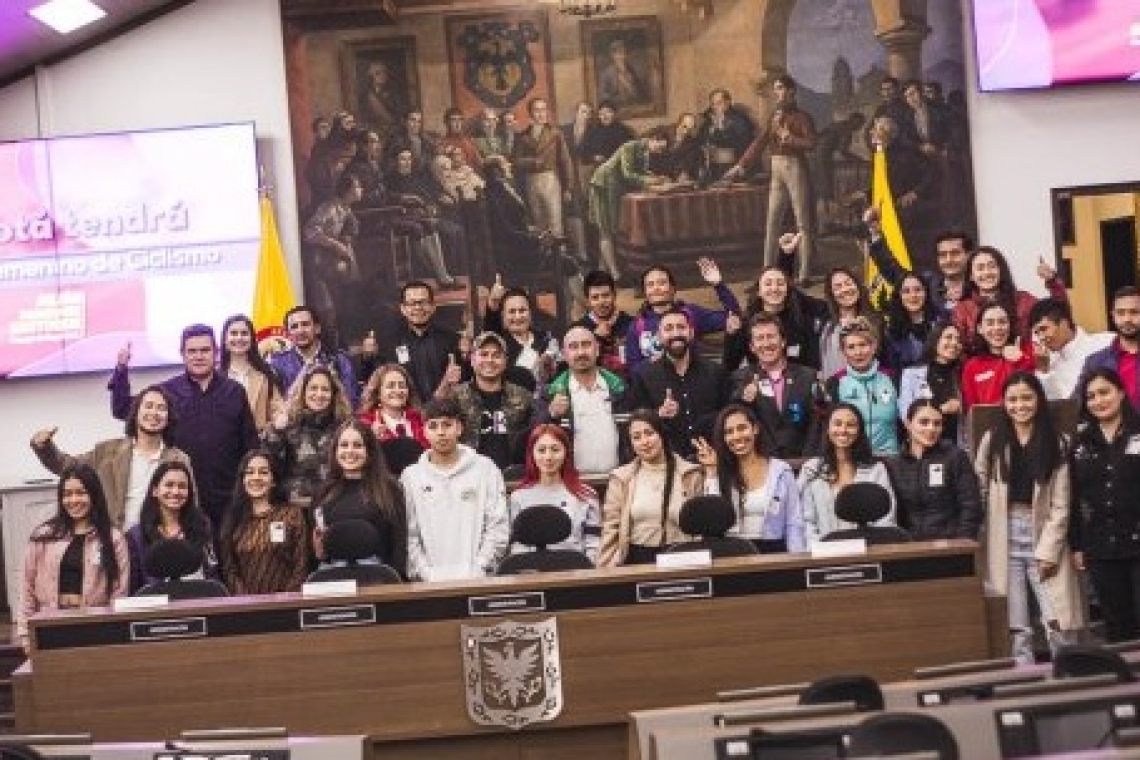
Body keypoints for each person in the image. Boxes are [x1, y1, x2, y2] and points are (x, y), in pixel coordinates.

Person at [975, 372, 1083, 664]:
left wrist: (1049, 550)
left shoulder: (1057, 442)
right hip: (1003, 535)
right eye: (1012, 399)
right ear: (1003, 402)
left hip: (1043, 533)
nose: (1019, 405)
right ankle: (1022, 679)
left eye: (1026, 398)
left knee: (1057, 618)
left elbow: (1062, 504)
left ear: (1038, 400)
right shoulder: (993, 439)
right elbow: (980, 486)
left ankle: (1066, 675)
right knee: (1015, 623)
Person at [108, 325, 258, 533]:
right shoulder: (167, 392)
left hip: (229, 501)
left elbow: (250, 445)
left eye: (204, 350)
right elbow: (122, 409)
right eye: (192, 351)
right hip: (181, 502)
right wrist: (121, 369)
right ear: (183, 354)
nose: (198, 356)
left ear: (215, 352)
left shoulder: (235, 392)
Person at [31, 385, 190, 529]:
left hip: (159, 540)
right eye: (148, 406)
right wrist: (45, 448)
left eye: (161, 408)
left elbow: (190, 506)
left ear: (168, 417)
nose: (154, 413)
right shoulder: (106, 452)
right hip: (114, 538)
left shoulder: (179, 459)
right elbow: (67, 466)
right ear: (136, 413)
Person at [17, 464, 129, 650]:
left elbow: (119, 591)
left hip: (95, 628)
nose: (73, 500)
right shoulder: (43, 535)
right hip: (48, 626)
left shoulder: (113, 538)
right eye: (67, 494)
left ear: (94, 495)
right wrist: (25, 633)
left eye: (81, 493)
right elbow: (26, 586)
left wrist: (114, 632)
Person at [401, 398, 510, 581]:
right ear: (424, 431)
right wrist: (425, 573)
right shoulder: (411, 476)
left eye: (447, 425)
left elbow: (497, 526)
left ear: (459, 428)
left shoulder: (486, 469)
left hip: (480, 580)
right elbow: (409, 535)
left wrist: (480, 567)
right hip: (428, 584)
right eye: (433, 426)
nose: (441, 432)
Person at [1070, 368, 1140, 642]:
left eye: (1104, 392)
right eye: (1091, 396)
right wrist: (1076, 545)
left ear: (1121, 392)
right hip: (1101, 546)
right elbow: (1073, 496)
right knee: (1117, 624)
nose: (1098, 400)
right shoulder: (1080, 443)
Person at [725, 75, 817, 282]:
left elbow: (812, 143)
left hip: (795, 167)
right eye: (776, 89)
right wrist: (741, 165)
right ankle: (767, 270)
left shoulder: (802, 117)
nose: (778, 93)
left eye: (781, 88)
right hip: (776, 169)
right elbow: (760, 142)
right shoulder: (775, 116)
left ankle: (804, 274)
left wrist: (790, 139)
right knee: (772, 221)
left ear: (792, 91)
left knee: (802, 223)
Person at [599, 409, 704, 566]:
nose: (644, 441)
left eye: (649, 433)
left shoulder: (690, 474)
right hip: (636, 558)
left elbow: (701, 528)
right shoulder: (621, 478)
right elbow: (611, 528)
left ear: (661, 434)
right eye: (636, 437)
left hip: (681, 558)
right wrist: (606, 566)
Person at [695, 404, 805, 553]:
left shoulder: (781, 470)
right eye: (729, 432)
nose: (736, 436)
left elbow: (794, 522)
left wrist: (796, 558)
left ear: (755, 429)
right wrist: (712, 471)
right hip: (732, 554)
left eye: (742, 428)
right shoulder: (720, 471)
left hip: (774, 552)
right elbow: (713, 520)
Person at [630, 308, 729, 462]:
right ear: (659, 336)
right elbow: (637, 424)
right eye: (669, 329)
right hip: (667, 463)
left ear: (691, 332)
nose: (676, 333)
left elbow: (727, 416)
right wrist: (658, 414)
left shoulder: (716, 371)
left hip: (713, 460)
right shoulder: (643, 375)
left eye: (681, 327)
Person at [312, 420, 408, 576]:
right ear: (335, 450)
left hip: (379, 578)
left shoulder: (389, 489)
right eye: (344, 445)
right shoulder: (323, 492)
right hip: (333, 578)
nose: (350, 451)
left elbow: (399, 544)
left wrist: (394, 583)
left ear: (369, 451)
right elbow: (316, 550)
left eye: (357, 445)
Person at [798, 403, 896, 543]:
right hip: (823, 551)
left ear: (859, 431)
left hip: (869, 549)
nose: (843, 430)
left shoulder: (876, 469)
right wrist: (819, 550)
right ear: (828, 428)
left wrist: (873, 548)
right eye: (837, 424)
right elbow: (805, 521)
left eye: (850, 425)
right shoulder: (811, 469)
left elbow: (886, 518)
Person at [886, 400, 983, 540]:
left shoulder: (955, 457)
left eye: (937, 423)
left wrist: (962, 543)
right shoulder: (894, 464)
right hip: (909, 546)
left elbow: (971, 506)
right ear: (908, 424)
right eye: (924, 422)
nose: (931, 429)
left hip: (951, 545)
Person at [624, 261, 741, 373]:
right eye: (650, 285)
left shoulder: (691, 313)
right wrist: (656, 362)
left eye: (662, 283)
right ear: (645, 292)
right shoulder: (637, 327)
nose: (656, 288)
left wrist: (718, 285)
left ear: (673, 288)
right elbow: (633, 368)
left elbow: (733, 318)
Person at [587, 126, 671, 281]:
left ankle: (602, 270)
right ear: (653, 139)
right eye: (660, 147)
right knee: (605, 229)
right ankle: (615, 274)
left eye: (662, 149)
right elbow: (628, 174)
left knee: (611, 228)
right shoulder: (629, 146)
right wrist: (651, 181)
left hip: (615, 188)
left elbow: (641, 172)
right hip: (603, 186)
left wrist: (657, 177)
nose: (660, 152)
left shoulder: (645, 152)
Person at [219, 450, 309, 595]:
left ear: (273, 480)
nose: (256, 477)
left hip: (287, 602)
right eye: (250, 472)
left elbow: (301, 564)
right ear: (243, 480)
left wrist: (286, 599)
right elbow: (229, 570)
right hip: (245, 604)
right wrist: (247, 601)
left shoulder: (292, 515)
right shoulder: (233, 519)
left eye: (263, 472)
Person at [728, 314, 817, 459]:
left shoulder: (808, 376)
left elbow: (816, 424)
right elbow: (735, 421)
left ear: (783, 341)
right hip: (761, 463)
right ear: (752, 347)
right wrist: (743, 400)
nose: (766, 343)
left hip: (803, 462)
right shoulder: (740, 379)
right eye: (760, 338)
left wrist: (808, 461)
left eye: (771, 336)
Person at [542, 325, 628, 475]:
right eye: (573, 347)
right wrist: (551, 414)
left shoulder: (620, 388)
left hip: (618, 480)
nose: (581, 352)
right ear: (564, 354)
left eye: (586, 345)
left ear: (597, 349)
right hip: (571, 482)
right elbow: (534, 436)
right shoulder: (550, 393)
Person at [263, 365, 354, 507]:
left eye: (325, 389)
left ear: (334, 394)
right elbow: (270, 467)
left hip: (335, 506)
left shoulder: (345, 428)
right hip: (295, 507)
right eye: (313, 388)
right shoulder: (287, 426)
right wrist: (276, 431)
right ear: (303, 392)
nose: (319, 394)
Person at [508, 424, 601, 562]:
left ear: (566, 452)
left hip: (576, 570)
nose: (548, 457)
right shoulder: (518, 497)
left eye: (555, 450)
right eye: (541, 450)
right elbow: (518, 546)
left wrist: (586, 570)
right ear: (531, 454)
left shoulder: (586, 495)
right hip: (532, 571)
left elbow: (594, 545)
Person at [358, 281, 461, 405]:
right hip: (405, 412)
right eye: (412, 303)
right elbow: (371, 382)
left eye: (423, 302)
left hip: (445, 411)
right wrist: (367, 357)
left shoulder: (452, 339)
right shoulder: (388, 343)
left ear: (433, 306)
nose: (418, 308)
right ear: (403, 309)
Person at [126, 461, 220, 593]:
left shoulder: (203, 526)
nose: (176, 492)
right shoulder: (136, 536)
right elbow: (134, 586)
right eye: (169, 485)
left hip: (199, 599)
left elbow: (213, 572)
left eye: (182, 486)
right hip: (156, 603)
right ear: (155, 491)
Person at [724, 254, 828, 372]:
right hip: (759, 381)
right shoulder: (746, 323)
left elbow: (812, 365)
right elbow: (729, 366)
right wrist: (731, 336)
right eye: (768, 284)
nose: (774, 288)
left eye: (780, 283)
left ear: (787, 289)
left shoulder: (802, 319)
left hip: (798, 381)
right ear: (759, 291)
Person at [953, 246, 1067, 352]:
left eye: (992, 266)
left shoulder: (1023, 300)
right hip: (980, 366)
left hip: (1023, 363)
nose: (987, 272)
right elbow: (959, 348)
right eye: (980, 268)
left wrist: (1053, 282)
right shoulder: (963, 309)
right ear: (971, 276)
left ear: (1001, 270)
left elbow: (1059, 313)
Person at [450, 331, 534, 469]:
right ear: (472, 360)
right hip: (469, 475)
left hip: (512, 476)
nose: (490, 360)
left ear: (505, 361)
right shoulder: (455, 397)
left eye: (496, 355)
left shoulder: (524, 397)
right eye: (484, 354)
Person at [302, 172, 364, 343]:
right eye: (358, 186)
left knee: (342, 305)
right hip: (318, 264)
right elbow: (309, 232)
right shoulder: (329, 208)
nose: (361, 189)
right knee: (327, 309)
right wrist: (335, 245)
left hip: (331, 265)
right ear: (347, 190)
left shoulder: (346, 210)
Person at [823, 318, 899, 456]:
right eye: (851, 347)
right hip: (852, 458)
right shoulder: (835, 382)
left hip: (890, 457)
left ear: (874, 346)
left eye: (863, 345)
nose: (858, 352)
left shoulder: (893, 378)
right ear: (843, 351)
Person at [512, 97, 575, 241]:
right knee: (539, 222)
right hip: (531, 181)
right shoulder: (522, 136)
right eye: (537, 110)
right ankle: (545, 253)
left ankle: (560, 253)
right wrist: (533, 162)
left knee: (555, 222)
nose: (541, 114)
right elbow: (516, 161)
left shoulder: (555, 134)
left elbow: (565, 161)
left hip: (550, 180)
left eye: (543, 110)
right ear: (530, 113)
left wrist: (568, 187)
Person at [270, 306, 359, 407]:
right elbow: (276, 406)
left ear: (317, 328)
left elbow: (351, 402)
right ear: (288, 334)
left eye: (305, 324)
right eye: (294, 327)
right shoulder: (278, 364)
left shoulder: (340, 360)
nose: (300, 331)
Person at [482, 282, 560, 392]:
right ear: (503, 315)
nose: (518, 317)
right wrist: (493, 302)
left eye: (522, 310)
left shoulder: (546, 339)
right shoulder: (499, 344)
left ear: (530, 313)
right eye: (512, 312)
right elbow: (489, 332)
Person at [1030, 297, 1113, 400]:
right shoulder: (1047, 363)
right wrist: (1044, 371)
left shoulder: (1106, 342)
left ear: (1064, 323)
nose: (1041, 337)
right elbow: (1054, 405)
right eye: (1037, 333)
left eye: (1044, 329)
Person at [897, 321, 965, 445]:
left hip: (954, 446)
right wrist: (940, 409)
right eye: (948, 337)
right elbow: (905, 413)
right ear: (935, 340)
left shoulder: (963, 374)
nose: (954, 343)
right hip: (922, 444)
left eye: (958, 339)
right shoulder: (911, 374)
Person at [962, 301, 1035, 411]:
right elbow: (973, 410)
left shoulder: (1027, 351)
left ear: (1010, 325)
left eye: (1002, 322)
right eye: (990, 323)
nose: (997, 328)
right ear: (980, 329)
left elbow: (1037, 389)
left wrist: (1021, 361)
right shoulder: (971, 367)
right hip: (990, 420)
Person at [220, 314, 285, 433]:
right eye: (233, 333)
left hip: (259, 442)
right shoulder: (215, 376)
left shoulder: (266, 373)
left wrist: (280, 419)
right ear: (225, 340)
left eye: (244, 333)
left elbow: (277, 408)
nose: (239, 338)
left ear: (252, 339)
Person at [1081, 286, 1140, 410]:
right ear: (1113, 316)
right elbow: (1077, 404)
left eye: (1134, 312)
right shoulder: (1094, 362)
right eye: (1120, 313)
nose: (1127, 319)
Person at [819, 267, 882, 380]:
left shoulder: (876, 321)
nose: (845, 289)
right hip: (834, 387)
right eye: (838, 287)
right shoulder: (827, 326)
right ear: (832, 294)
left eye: (848, 283)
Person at [574, 269, 634, 375]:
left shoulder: (631, 324)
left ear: (614, 295)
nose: (601, 302)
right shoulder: (577, 329)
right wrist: (595, 337)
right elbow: (575, 365)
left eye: (606, 295)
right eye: (595, 297)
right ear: (588, 301)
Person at [358, 363, 429, 449]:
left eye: (402, 386)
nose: (398, 390)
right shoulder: (365, 425)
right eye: (390, 386)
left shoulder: (421, 420)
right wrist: (372, 441)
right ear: (378, 393)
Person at [698, 88, 756, 181]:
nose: (715, 107)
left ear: (728, 102)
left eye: (719, 103)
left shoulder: (739, 120)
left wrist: (720, 128)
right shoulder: (709, 119)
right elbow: (701, 139)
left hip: (733, 165)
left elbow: (743, 143)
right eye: (713, 104)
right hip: (712, 165)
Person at [883, 273, 937, 371]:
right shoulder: (890, 332)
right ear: (899, 296)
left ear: (926, 293)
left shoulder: (940, 321)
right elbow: (892, 369)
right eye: (906, 291)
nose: (913, 295)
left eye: (918, 290)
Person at [597, 38, 649, 108]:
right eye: (619, 53)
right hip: (616, 107)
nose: (623, 56)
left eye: (624, 53)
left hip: (634, 106)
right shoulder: (606, 74)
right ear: (613, 56)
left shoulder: (631, 70)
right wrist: (616, 100)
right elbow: (603, 95)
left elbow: (639, 91)